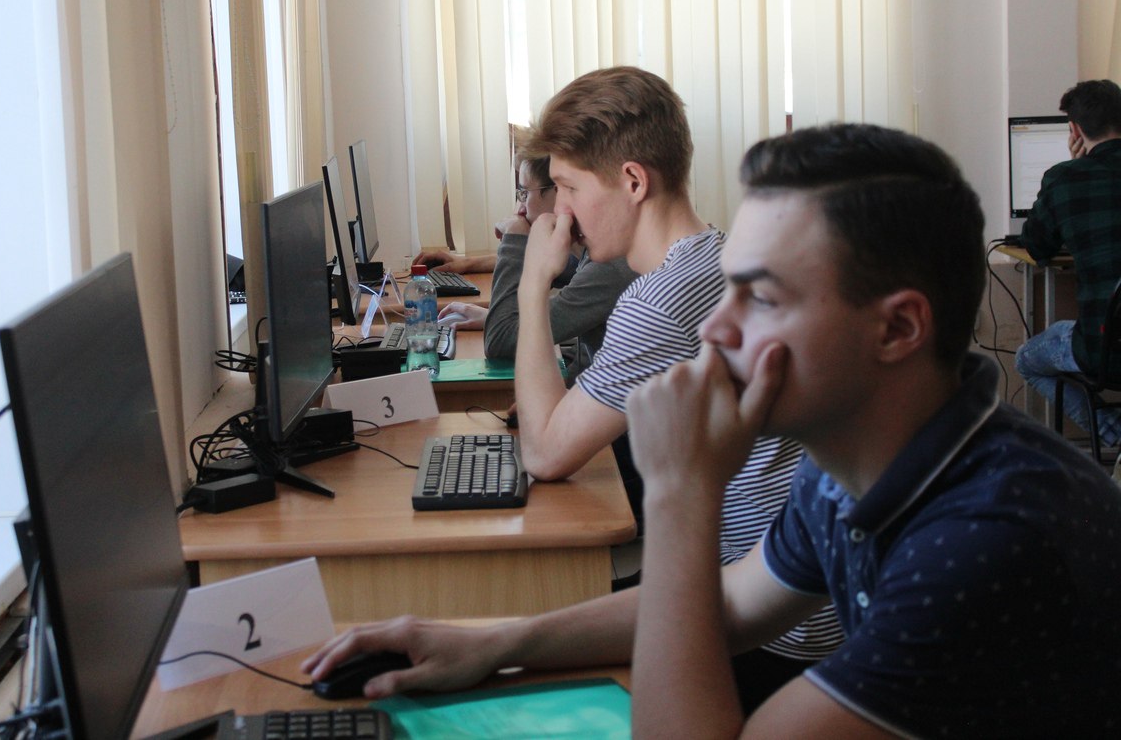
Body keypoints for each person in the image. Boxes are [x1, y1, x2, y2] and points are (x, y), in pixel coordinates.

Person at [303, 123, 1121, 736]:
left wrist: (680, 492)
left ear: (898, 329)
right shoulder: (854, 453)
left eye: (760, 297)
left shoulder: (990, 541)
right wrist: (494, 641)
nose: (714, 329)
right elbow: (728, 602)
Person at [312, 67, 844, 708]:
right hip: (752, 597)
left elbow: (545, 453)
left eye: (567, 187)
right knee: (506, 639)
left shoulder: (662, 296)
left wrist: (534, 282)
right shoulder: (711, 256)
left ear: (633, 182)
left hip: (772, 637)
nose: (559, 210)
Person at [437, 142, 637, 381]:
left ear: (559, 191)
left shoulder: (608, 267)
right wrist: (469, 266)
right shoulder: (594, 250)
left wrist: (515, 238)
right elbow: (558, 266)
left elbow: (499, 341)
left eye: (524, 193)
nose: (519, 208)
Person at [1015, 78, 1121, 448]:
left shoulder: (1064, 179)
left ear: (1074, 130)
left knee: (1027, 360)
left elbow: (1037, 246)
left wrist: (1074, 168)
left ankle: (1113, 433)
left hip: (1108, 352)